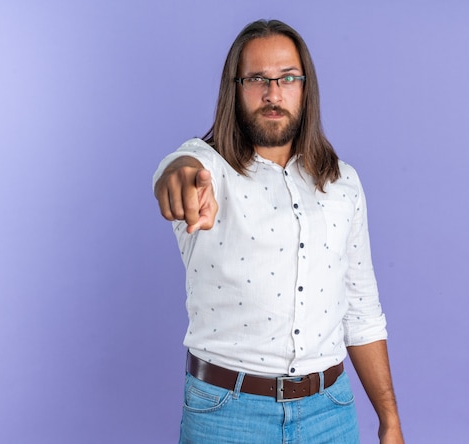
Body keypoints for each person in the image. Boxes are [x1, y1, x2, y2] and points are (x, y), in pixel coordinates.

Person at [153, 19, 404, 444]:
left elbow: (361, 310)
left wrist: (389, 419)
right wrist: (178, 177)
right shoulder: (208, 168)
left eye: (288, 77)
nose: (273, 93)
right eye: (257, 79)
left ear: (306, 88)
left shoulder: (343, 183)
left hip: (331, 413)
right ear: (235, 88)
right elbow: (179, 168)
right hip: (225, 415)